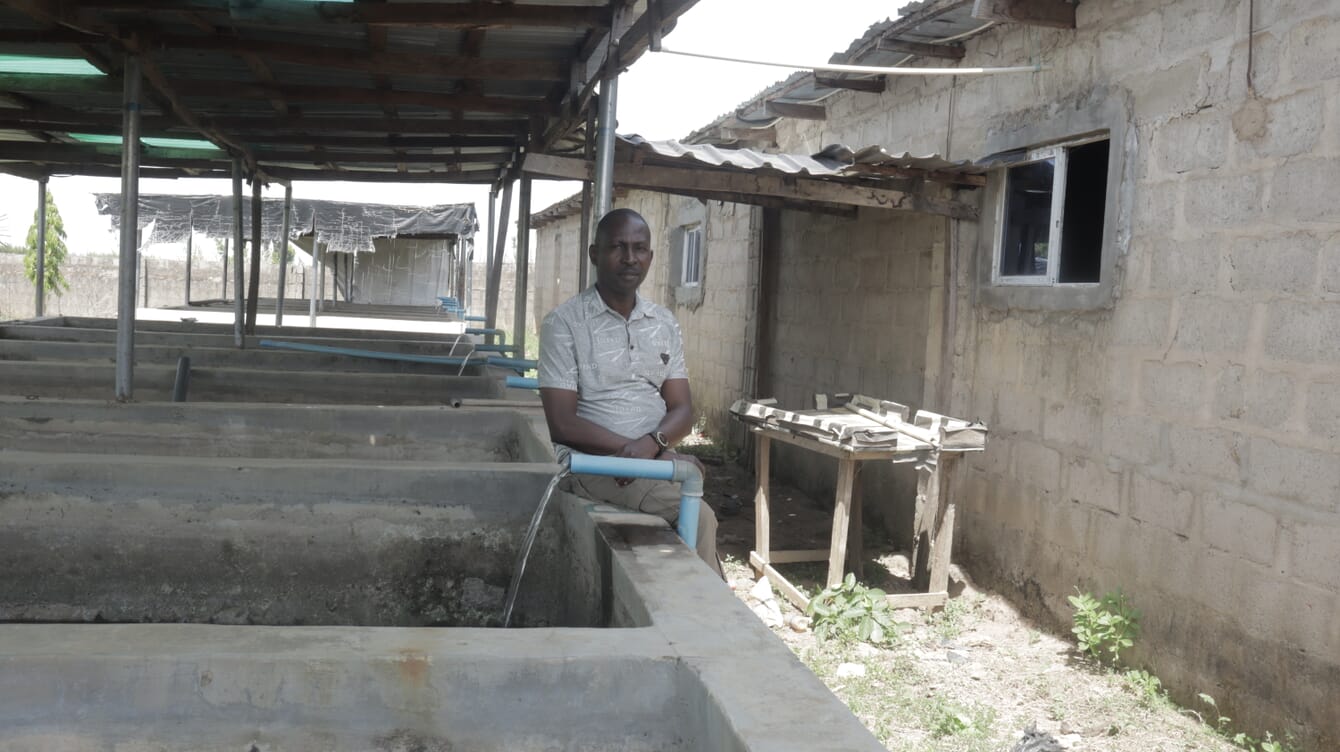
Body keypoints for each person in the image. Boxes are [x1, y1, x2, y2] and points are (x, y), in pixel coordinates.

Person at [537, 208, 721, 575]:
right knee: (698, 516)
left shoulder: (663, 322)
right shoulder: (565, 324)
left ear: (651, 257)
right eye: (617, 247)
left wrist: (649, 447)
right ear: (595, 255)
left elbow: (683, 410)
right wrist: (640, 456)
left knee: (689, 505)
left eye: (639, 248)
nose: (629, 258)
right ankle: (713, 628)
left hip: (646, 460)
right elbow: (562, 423)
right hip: (594, 466)